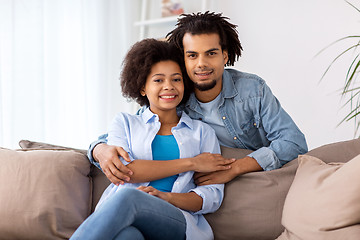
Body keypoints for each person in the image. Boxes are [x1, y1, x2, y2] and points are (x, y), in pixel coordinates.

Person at [88, 11, 308, 187]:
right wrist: (100, 149)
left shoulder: (252, 89)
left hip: (259, 177)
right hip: (205, 186)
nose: (201, 63)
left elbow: (294, 142)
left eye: (211, 53)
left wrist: (236, 168)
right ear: (183, 59)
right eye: (192, 55)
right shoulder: (175, 96)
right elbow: (132, 127)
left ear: (225, 56)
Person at [71, 39, 232, 240]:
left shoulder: (202, 132)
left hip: (176, 219)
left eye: (176, 79)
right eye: (158, 80)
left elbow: (211, 197)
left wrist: (166, 197)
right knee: (128, 236)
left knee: (129, 197)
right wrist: (192, 163)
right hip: (127, 217)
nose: (169, 87)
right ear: (142, 88)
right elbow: (127, 171)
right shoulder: (125, 123)